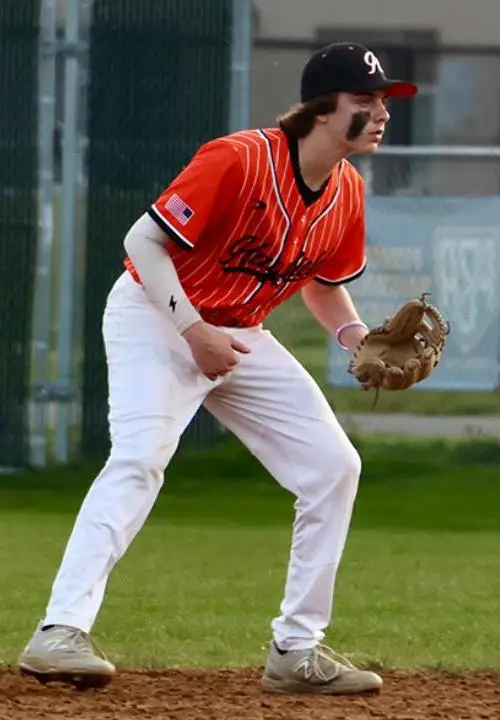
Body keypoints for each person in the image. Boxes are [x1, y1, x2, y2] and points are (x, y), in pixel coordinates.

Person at [19, 42, 417, 694]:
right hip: (157, 316)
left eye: (384, 102)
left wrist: (357, 337)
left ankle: (296, 650)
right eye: (366, 101)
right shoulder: (239, 158)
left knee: (333, 467)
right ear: (322, 108)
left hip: (238, 332)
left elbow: (323, 285)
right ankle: (59, 632)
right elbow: (142, 241)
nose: (381, 114)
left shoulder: (347, 190)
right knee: (140, 457)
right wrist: (191, 330)